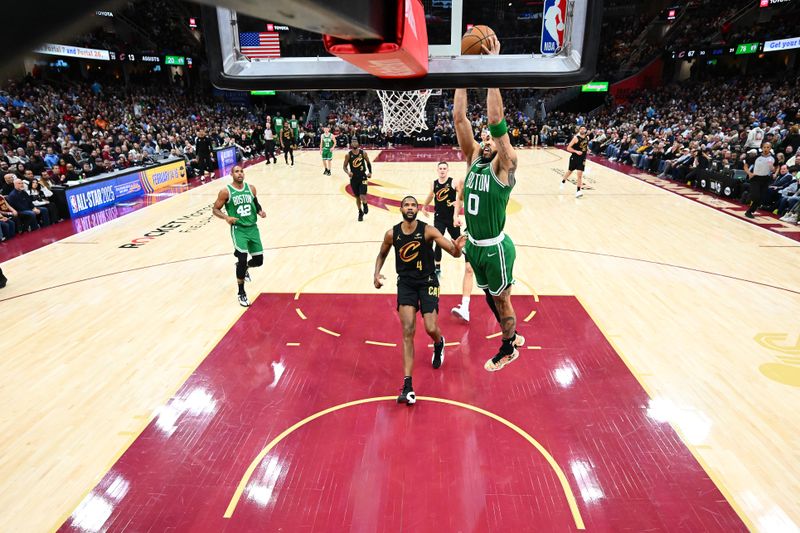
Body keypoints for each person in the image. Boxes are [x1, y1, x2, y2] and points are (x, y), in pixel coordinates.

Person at [453, 35, 525, 372]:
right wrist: (461, 76)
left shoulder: (505, 163)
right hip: (476, 246)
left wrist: (491, 69)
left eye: (490, 139)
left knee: (501, 299)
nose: (484, 139)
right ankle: (513, 334)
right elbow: (459, 119)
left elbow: (496, 121)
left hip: (495, 247)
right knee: (489, 296)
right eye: (481, 137)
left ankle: (509, 346)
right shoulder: (473, 159)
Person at [373, 195, 466, 405]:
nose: (410, 207)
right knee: (408, 331)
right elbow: (382, 254)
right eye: (406, 204)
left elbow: (453, 253)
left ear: (417, 209)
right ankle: (407, 386)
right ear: (401, 209)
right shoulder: (392, 234)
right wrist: (376, 274)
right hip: (406, 283)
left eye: (413, 205)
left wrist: (458, 248)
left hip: (428, 281)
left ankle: (439, 342)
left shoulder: (428, 230)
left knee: (430, 327)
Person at [212, 165, 266, 307]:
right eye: (236, 171)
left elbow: (255, 202)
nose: (240, 173)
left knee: (259, 261)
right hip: (239, 229)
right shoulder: (225, 192)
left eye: (241, 171)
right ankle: (241, 292)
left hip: (253, 228)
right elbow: (215, 209)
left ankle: (245, 267)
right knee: (242, 258)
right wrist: (226, 217)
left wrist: (260, 211)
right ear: (231, 174)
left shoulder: (251, 188)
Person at [422, 161, 461, 279]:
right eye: (440, 168)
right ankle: (437, 268)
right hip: (439, 218)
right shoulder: (434, 184)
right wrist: (424, 206)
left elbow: (461, 196)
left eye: (444, 168)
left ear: (447, 170)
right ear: (437, 170)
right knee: (438, 241)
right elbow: (430, 195)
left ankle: (469, 261)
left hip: (452, 218)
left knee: (458, 242)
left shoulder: (453, 182)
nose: (442, 170)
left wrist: (459, 203)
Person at [744, 142, 777, 219]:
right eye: (764, 147)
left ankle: (749, 212)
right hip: (755, 178)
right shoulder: (756, 157)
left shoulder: (773, 158)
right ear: (762, 148)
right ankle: (749, 197)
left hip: (766, 179)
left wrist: (775, 172)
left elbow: (776, 167)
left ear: (770, 148)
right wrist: (749, 173)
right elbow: (746, 165)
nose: (766, 149)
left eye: (768, 147)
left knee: (760, 198)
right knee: (755, 196)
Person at [343, 139, 372, 221]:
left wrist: (370, 172)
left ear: (358, 143)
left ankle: (365, 205)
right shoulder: (348, 155)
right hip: (354, 178)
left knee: (362, 195)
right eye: (353, 142)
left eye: (355, 142)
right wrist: (348, 172)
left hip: (363, 176)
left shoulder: (363, 153)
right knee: (357, 197)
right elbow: (344, 167)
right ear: (351, 144)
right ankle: (360, 212)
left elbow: (368, 163)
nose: (354, 143)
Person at [561, 125, 588, 198]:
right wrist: (576, 151)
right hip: (575, 157)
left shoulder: (586, 137)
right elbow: (568, 148)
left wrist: (587, 149)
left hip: (582, 158)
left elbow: (584, 146)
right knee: (570, 171)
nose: (582, 130)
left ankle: (578, 191)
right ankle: (563, 181)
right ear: (579, 130)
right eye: (581, 129)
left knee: (579, 175)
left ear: (585, 130)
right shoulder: (576, 138)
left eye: (584, 129)